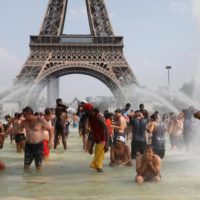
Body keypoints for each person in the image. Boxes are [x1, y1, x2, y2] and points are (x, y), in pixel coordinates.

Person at [83, 103, 109, 173]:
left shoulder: (98, 117)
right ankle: (98, 180)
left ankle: (100, 181)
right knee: (97, 164)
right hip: (97, 141)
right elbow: (93, 132)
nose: (85, 113)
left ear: (90, 110)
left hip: (103, 140)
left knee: (98, 164)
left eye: (85, 111)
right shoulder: (90, 118)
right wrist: (91, 146)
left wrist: (107, 144)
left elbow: (106, 129)